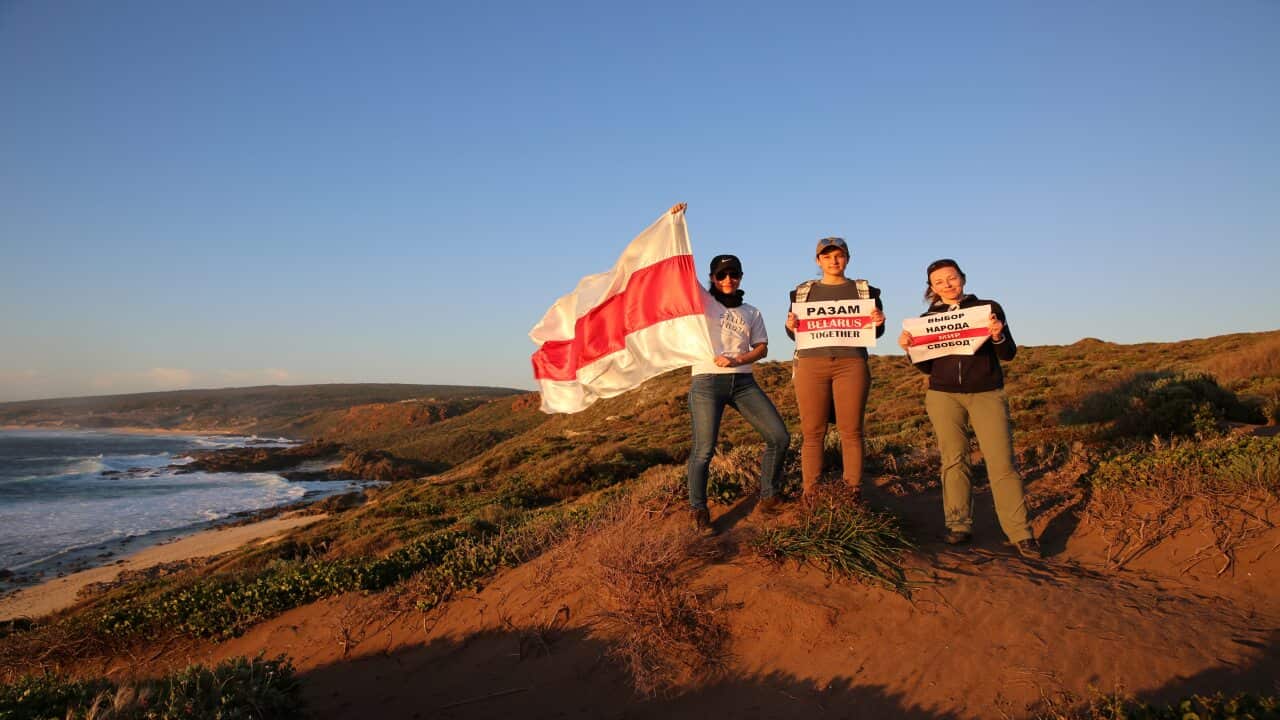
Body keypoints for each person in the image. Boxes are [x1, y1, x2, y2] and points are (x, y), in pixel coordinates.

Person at [896, 258, 1040, 558]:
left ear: (962, 277)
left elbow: (1008, 353)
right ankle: (958, 525)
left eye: (951, 278)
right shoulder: (927, 318)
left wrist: (997, 334)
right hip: (943, 396)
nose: (947, 284)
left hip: (987, 393)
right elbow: (926, 367)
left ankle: (1020, 532)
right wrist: (910, 349)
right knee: (954, 460)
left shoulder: (988, 308)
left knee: (1001, 463)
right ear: (931, 288)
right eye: (939, 282)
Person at [679, 206, 790, 535]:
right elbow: (680, 273)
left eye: (734, 274)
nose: (728, 280)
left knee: (779, 437)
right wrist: (675, 222)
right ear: (712, 278)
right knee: (704, 450)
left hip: (743, 383)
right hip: (706, 383)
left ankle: (769, 495)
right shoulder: (701, 301)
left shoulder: (751, 311)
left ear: (741, 276)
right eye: (721, 275)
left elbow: (762, 348)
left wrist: (739, 360)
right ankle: (698, 510)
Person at [784, 237, 885, 500]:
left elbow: (876, 331)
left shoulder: (866, 291)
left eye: (839, 255)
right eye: (827, 257)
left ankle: (852, 491)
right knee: (812, 432)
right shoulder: (801, 292)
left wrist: (879, 321)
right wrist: (790, 325)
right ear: (818, 261)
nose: (833, 261)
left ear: (848, 258)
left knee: (851, 431)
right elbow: (794, 333)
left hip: (851, 364)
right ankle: (811, 493)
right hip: (810, 364)